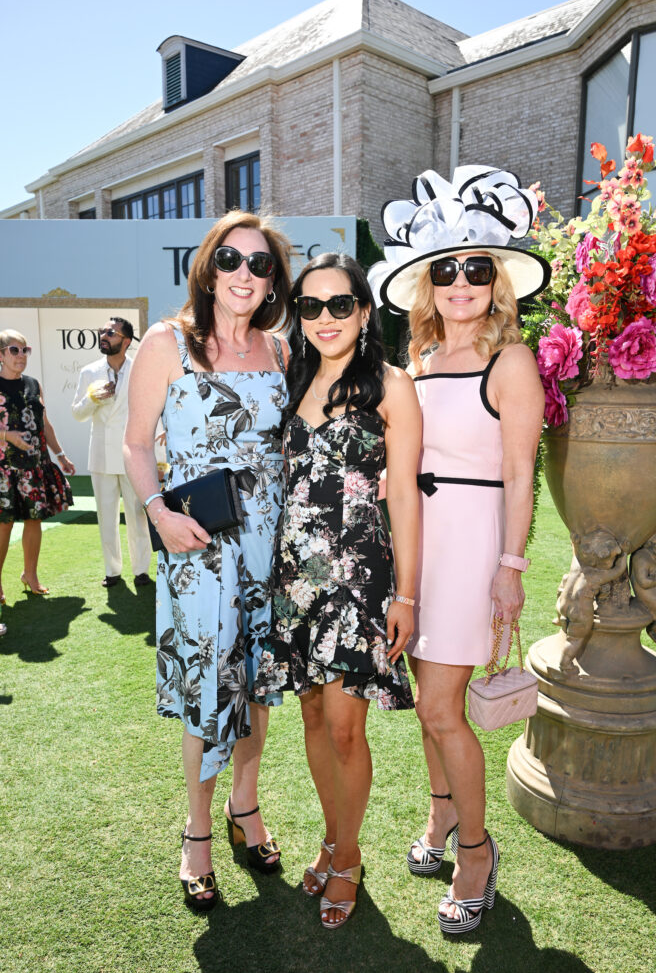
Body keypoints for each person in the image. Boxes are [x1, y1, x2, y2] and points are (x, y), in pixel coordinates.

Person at [369, 166, 550, 935]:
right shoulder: (414, 365)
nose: (461, 283)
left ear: (497, 282)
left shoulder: (510, 362)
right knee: (426, 708)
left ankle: (475, 852)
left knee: (444, 709)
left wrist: (510, 569)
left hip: (474, 543)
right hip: (415, 546)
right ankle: (440, 817)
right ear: (425, 285)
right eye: (446, 270)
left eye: (477, 269)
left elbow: (519, 473)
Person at [123, 211, 293, 911]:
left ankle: (243, 807)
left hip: (268, 551)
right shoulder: (168, 343)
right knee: (207, 690)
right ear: (208, 267)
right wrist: (160, 513)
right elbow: (137, 445)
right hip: (198, 551)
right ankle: (196, 829)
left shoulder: (282, 353)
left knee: (255, 684)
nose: (243, 275)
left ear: (274, 279)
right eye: (231, 260)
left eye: (259, 263)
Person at [256, 252, 421, 929]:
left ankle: (347, 857)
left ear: (363, 310)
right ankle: (331, 837)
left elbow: (405, 496)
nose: (325, 318)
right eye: (311, 305)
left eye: (340, 304)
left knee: (348, 729)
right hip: (293, 578)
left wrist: (405, 595)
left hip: (357, 580)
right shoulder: (285, 379)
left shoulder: (389, 385)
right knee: (313, 719)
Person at [72, 317, 152, 588]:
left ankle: (141, 570)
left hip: (133, 454)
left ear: (126, 341)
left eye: (111, 333)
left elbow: (151, 407)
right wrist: (92, 399)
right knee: (106, 517)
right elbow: (77, 413)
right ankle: (112, 571)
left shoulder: (141, 369)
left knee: (138, 516)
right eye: (102, 332)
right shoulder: (88, 372)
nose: (104, 336)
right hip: (102, 456)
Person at [0, 330, 75, 600]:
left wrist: (61, 454)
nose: (21, 356)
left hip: (35, 464)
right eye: (14, 350)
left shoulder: (33, 384)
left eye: (25, 350)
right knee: (3, 523)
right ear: (1, 355)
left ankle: (29, 575)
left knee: (34, 519)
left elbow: (45, 423)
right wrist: (7, 436)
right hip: (4, 468)